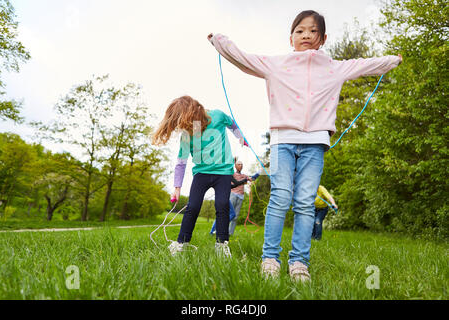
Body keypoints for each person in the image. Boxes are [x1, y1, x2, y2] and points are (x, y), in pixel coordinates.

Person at [207, 10, 402, 281]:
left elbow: (364, 65)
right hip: (283, 141)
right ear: (291, 38)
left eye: (312, 31)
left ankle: (299, 262)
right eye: (300, 31)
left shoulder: (333, 67)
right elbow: (245, 59)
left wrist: (391, 61)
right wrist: (219, 41)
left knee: (304, 203)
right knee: (280, 198)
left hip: (315, 143)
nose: (306, 35)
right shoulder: (277, 64)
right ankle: (270, 259)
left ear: (322, 38)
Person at [152, 96, 246, 257]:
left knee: (222, 205)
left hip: (223, 172)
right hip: (201, 173)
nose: (187, 128)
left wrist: (241, 137)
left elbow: (232, 124)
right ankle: (182, 243)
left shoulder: (217, 115)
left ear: (195, 113)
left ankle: (222, 245)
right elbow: (181, 163)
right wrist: (177, 188)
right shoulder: (187, 134)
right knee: (193, 207)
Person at [228, 159, 261, 235]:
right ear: (235, 166)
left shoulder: (244, 176)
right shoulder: (232, 173)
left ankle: (230, 233)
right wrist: (233, 161)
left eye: (242, 164)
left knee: (235, 216)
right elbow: (228, 169)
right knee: (229, 214)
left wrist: (260, 171)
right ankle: (223, 231)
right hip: (232, 194)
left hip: (241, 196)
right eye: (239, 164)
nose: (241, 165)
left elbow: (252, 178)